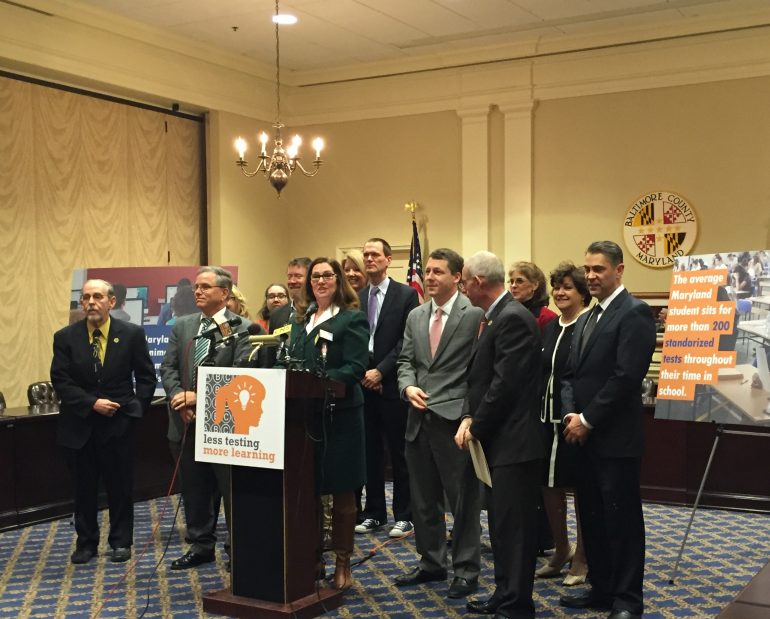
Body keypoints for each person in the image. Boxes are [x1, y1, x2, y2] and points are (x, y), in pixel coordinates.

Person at [560, 241, 656, 619]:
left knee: (622, 522)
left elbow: (626, 377)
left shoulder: (635, 313)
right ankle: (601, 588)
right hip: (581, 437)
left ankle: (628, 600)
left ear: (619, 270)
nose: (591, 276)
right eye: (588, 269)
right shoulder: (585, 317)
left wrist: (588, 419)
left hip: (615, 440)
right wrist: (572, 415)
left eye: (599, 269)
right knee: (593, 518)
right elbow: (570, 374)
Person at [454, 251, 545, 619]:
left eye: (463, 281)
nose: (461, 288)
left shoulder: (513, 319)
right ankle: (504, 593)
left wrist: (476, 424)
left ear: (477, 282)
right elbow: (480, 381)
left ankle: (517, 604)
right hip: (500, 443)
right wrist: (469, 416)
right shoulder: (496, 318)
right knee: (502, 528)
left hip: (516, 444)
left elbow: (504, 385)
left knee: (516, 531)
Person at [394, 248, 484, 599]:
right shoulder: (416, 315)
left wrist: (468, 414)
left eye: (438, 272)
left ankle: (466, 570)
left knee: (462, 502)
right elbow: (405, 361)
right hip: (417, 418)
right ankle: (431, 562)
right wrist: (407, 386)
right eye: (427, 271)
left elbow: (477, 372)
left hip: (454, 423)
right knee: (423, 500)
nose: (429, 277)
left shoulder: (473, 314)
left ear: (457, 277)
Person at [51, 279, 156, 564]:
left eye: (97, 296)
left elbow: (146, 378)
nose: (91, 302)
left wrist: (136, 410)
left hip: (118, 426)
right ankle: (86, 543)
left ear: (111, 301)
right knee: (83, 490)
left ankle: (121, 542)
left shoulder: (131, 334)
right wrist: (91, 403)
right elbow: (61, 380)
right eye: (85, 298)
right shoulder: (65, 337)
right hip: (79, 426)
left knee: (120, 487)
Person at [160, 266, 252, 570]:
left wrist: (200, 398)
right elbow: (169, 368)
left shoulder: (244, 329)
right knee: (195, 489)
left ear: (224, 293)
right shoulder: (183, 326)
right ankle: (201, 546)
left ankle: (238, 547)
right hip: (185, 422)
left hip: (225, 426)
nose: (197, 292)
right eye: (196, 287)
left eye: (205, 287)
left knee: (231, 491)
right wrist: (179, 398)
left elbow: (242, 376)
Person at [285, 257, 369, 590]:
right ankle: (312, 557)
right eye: (315, 276)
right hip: (304, 417)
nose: (320, 281)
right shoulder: (299, 320)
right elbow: (289, 361)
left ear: (338, 281)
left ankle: (343, 563)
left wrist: (320, 380)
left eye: (327, 276)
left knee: (342, 490)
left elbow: (356, 367)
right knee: (310, 489)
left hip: (341, 416)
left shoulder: (352, 319)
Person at [356, 237, 419, 538]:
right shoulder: (356, 296)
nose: (369, 259)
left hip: (393, 385)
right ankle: (374, 513)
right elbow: (356, 341)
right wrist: (364, 374)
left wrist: (381, 372)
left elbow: (406, 340)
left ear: (388, 259)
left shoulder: (405, 295)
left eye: (374, 254)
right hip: (363, 386)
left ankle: (404, 515)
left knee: (399, 451)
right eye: (365, 254)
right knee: (369, 452)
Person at [537, 262, 590, 586]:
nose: (560, 292)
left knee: (581, 490)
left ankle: (582, 558)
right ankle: (561, 549)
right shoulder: (551, 326)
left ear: (582, 292)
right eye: (557, 287)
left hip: (575, 421)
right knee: (548, 486)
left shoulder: (588, 324)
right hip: (546, 419)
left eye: (568, 287)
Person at [508, 261, 558, 332]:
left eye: (519, 281)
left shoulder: (547, 317)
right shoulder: (506, 313)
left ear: (535, 285)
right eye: (511, 281)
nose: (513, 286)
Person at [269, 257, 312, 333]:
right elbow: (273, 344)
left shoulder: (319, 310)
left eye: (298, 276)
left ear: (310, 279)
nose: (292, 281)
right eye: (289, 277)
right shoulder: (276, 315)